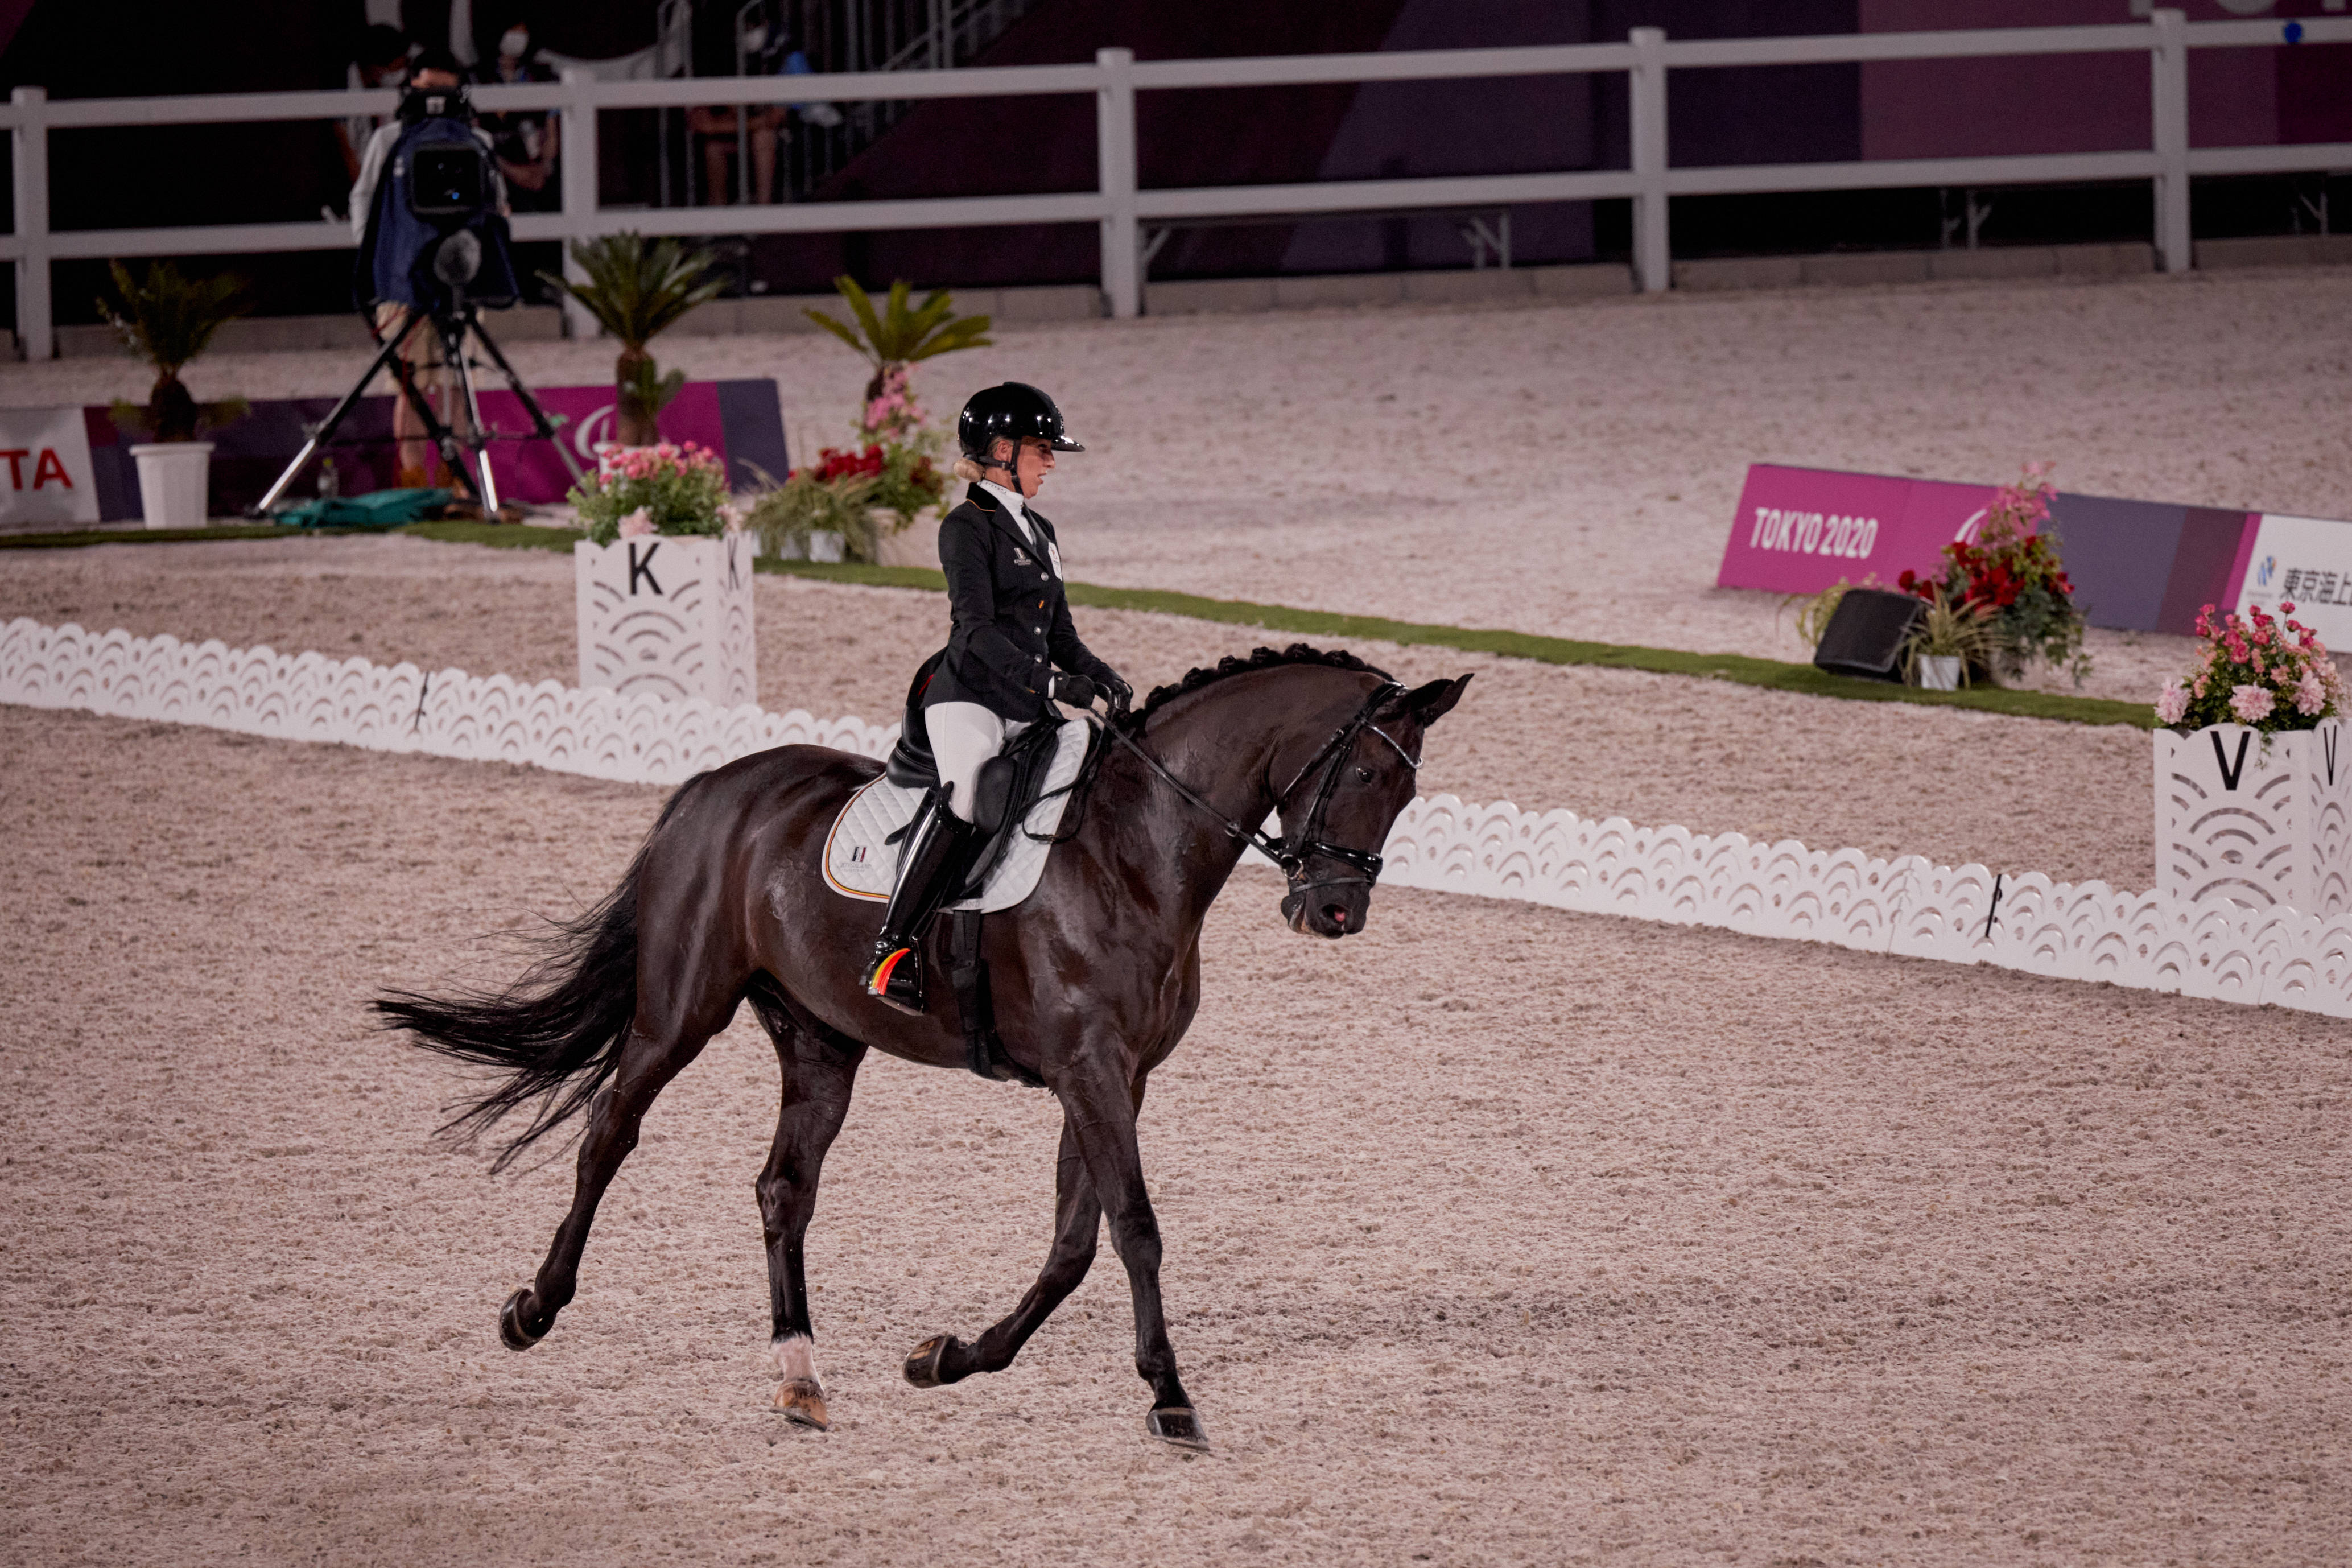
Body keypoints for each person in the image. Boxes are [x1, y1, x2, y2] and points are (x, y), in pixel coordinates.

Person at [860, 382, 1132, 1014]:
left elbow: (1059, 633)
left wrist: (1101, 675)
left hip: (1030, 701)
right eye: (1042, 450)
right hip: (971, 696)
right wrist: (1052, 685)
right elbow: (976, 630)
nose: (1052, 463)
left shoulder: (1041, 528)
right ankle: (892, 947)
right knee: (965, 791)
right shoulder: (966, 526)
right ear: (1002, 451)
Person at [348, 49, 506, 490]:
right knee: (411, 382)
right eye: (428, 88)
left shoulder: (478, 141)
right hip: (405, 278)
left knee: (461, 380)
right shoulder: (390, 140)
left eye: (446, 89)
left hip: (460, 277)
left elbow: (495, 201)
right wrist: (375, 248)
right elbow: (364, 197)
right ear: (411, 87)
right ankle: (414, 477)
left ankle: (457, 475)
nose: (436, 98)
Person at [473, 12, 559, 212]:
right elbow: (475, 136)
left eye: (524, 33)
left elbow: (552, 139)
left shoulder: (543, 77)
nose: (519, 38)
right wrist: (510, 171)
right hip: (496, 170)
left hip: (538, 173)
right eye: (513, 31)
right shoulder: (475, 78)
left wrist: (543, 168)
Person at [335, 24, 412, 185]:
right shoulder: (344, 87)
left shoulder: (392, 93)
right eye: (397, 68)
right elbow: (347, 150)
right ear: (376, 69)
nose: (402, 73)